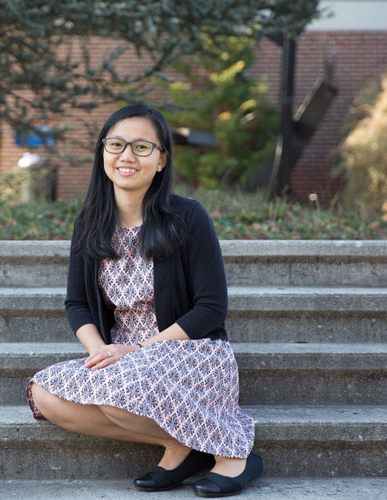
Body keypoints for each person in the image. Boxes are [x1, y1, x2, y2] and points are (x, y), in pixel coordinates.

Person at [26, 103, 262, 497]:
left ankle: (235, 454)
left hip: (188, 351)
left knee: (120, 394)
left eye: (141, 147)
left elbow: (210, 309)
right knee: (44, 395)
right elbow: (77, 304)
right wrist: (101, 350)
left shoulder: (187, 217)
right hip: (121, 357)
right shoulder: (90, 222)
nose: (126, 156)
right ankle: (179, 446)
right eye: (116, 144)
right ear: (103, 152)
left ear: (162, 158)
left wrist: (135, 350)